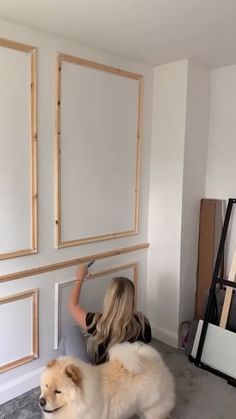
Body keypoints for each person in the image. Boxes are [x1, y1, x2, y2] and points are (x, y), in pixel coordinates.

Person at [59, 263, 152, 365]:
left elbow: (73, 306)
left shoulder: (99, 323)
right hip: (129, 377)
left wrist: (79, 278)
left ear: (108, 299)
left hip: (102, 378)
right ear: (131, 300)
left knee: (71, 330)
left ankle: (61, 373)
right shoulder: (143, 324)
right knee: (65, 341)